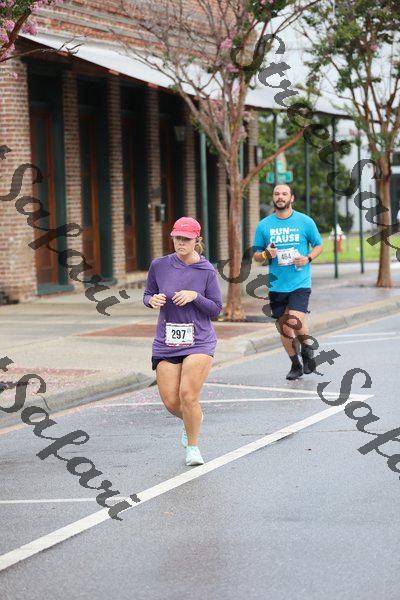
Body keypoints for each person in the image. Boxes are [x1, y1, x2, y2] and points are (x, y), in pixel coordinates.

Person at [143, 217, 222, 466]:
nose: (181, 243)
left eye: (186, 239)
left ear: (197, 240)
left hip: (199, 340)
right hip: (166, 340)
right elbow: (147, 294)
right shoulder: (159, 265)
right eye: (177, 238)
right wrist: (151, 301)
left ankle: (193, 447)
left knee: (188, 395)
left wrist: (195, 296)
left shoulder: (206, 271)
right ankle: (193, 418)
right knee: (171, 402)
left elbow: (216, 308)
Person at [253, 184, 323, 380]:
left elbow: (318, 245)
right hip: (277, 284)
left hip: (300, 282)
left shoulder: (305, 221)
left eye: (284, 194)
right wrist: (266, 254)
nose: (280, 197)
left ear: (291, 198)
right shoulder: (264, 225)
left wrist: (308, 258)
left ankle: (307, 351)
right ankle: (295, 364)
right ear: (273, 198)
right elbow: (256, 255)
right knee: (284, 327)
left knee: (294, 319)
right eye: (277, 194)